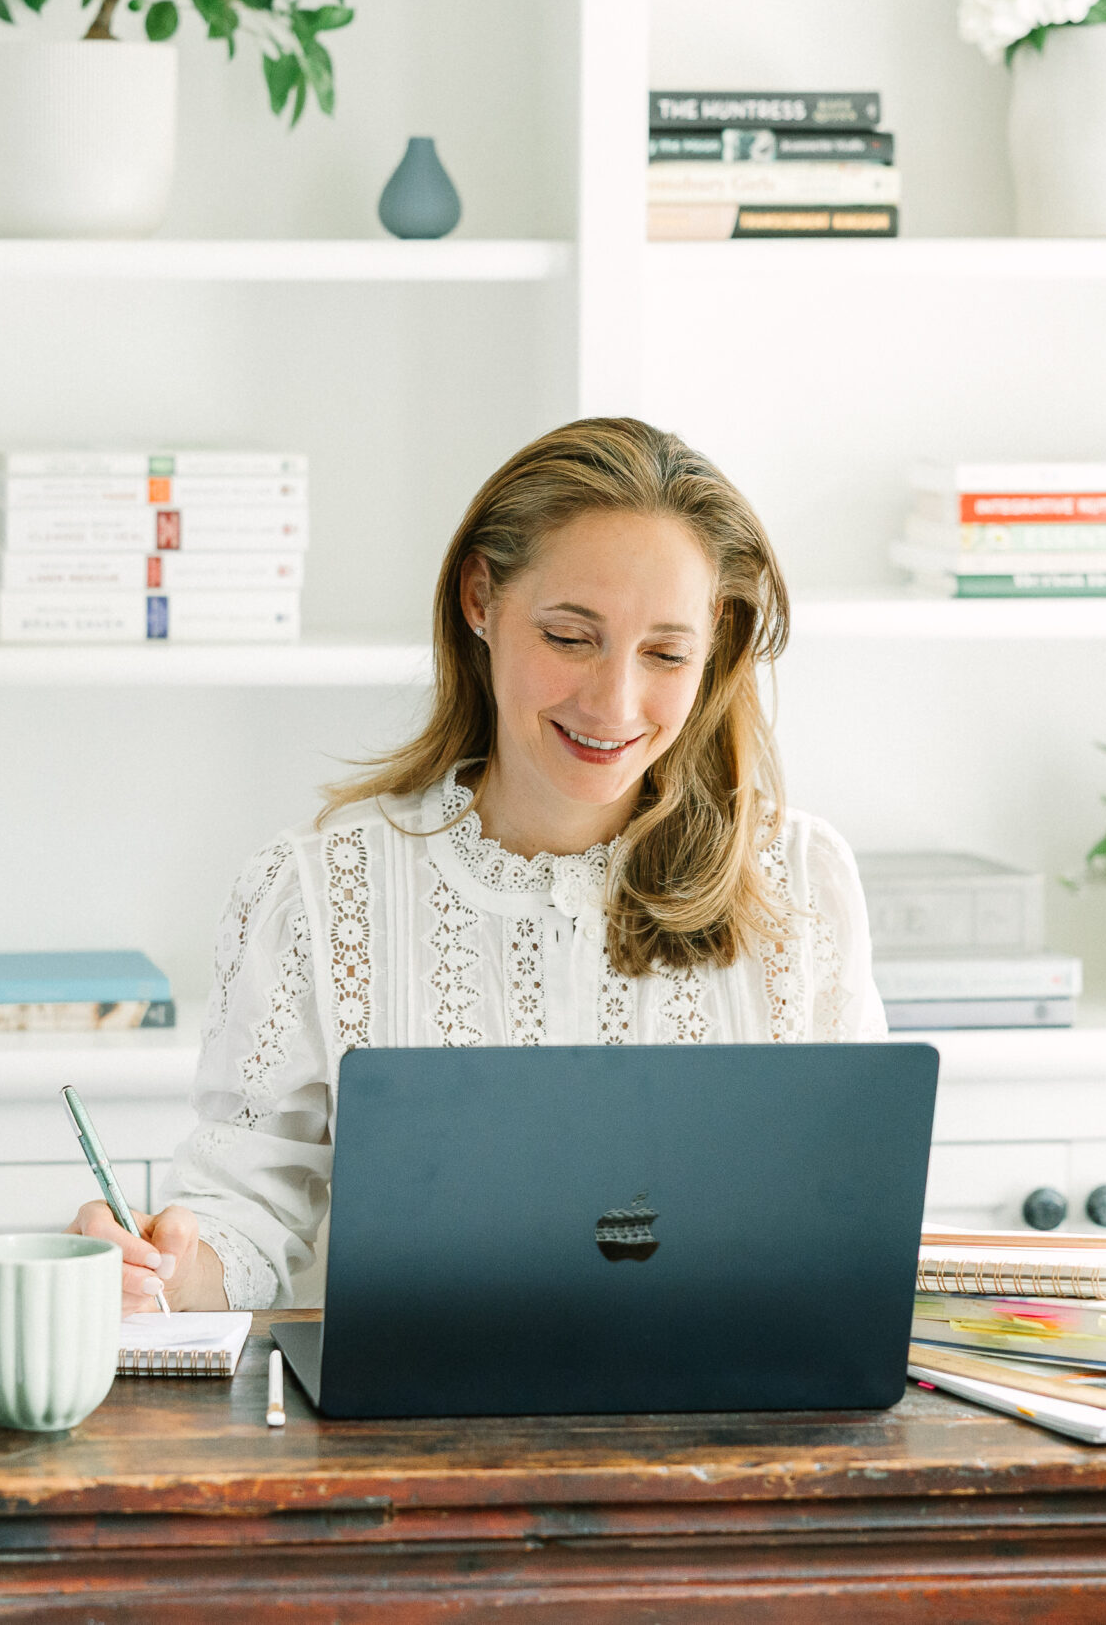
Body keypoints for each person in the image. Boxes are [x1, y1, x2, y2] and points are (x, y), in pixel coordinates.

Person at [70, 417, 887, 1313]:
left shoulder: (803, 878)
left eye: (665, 652)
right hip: (424, 1442)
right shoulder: (315, 891)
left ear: (715, 640)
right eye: (571, 637)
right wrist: (167, 1270)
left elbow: (847, 1210)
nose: (615, 702)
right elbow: (249, 1208)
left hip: (741, 1432)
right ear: (480, 600)